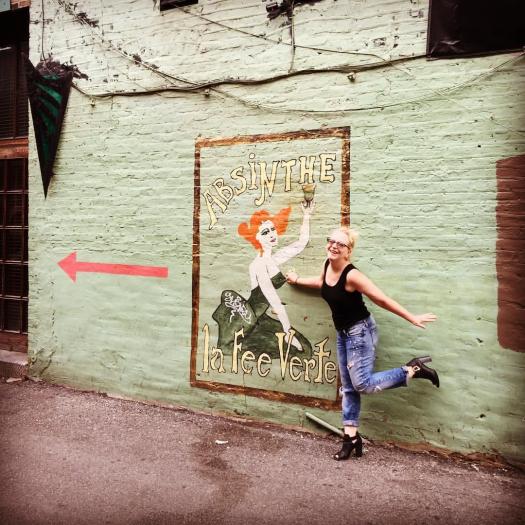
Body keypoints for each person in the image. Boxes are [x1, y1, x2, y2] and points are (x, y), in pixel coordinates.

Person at [286, 226, 438, 460]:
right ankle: (351, 440)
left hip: (360, 333)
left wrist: (412, 317)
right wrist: (297, 280)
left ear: (348, 251)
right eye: (331, 241)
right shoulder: (327, 265)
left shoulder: (352, 275)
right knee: (348, 388)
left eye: (340, 244)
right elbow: (321, 283)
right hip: (343, 333)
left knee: (362, 385)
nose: (334, 246)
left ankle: (412, 370)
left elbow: (381, 299)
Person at [212, 202, 314, 359]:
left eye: (273, 229)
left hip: (262, 318)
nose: (272, 234)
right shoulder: (259, 265)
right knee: (301, 351)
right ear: (256, 237)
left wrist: (306, 215)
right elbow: (273, 299)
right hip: (251, 323)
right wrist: (287, 331)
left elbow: (301, 243)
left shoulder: (273, 259)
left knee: (304, 349)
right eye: (265, 232)